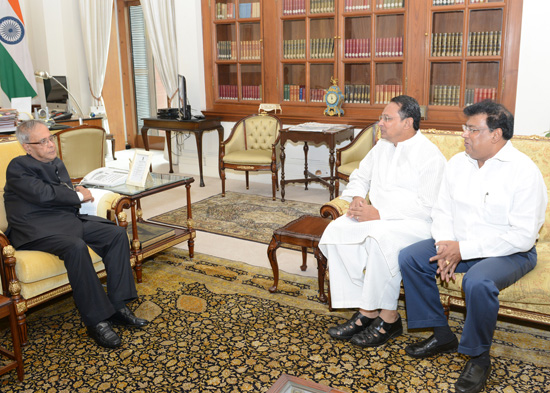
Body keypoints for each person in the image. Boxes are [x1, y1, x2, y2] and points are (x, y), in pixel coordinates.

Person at [399, 100, 547, 393]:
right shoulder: (457, 163)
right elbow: (442, 211)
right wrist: (444, 245)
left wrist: (462, 251)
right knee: (411, 258)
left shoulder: (523, 172)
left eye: (472, 129)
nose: (464, 134)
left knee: (478, 282)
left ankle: (479, 357)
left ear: (496, 134)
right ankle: (442, 334)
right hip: (459, 242)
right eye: (464, 128)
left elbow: (521, 235)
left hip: (509, 251)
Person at [4, 120, 149, 349]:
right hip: (35, 229)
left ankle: (118, 306)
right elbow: (44, 195)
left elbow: (62, 190)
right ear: (27, 147)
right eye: (43, 141)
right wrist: (80, 196)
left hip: (65, 222)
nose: (51, 144)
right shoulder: (18, 167)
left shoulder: (56, 162)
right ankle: (96, 321)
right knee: (75, 247)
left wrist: (77, 190)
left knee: (116, 235)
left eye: (50, 138)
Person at [319, 95, 446, 347]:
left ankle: (388, 319)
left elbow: (427, 206)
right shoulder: (382, 146)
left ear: (408, 122)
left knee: (381, 241)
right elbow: (359, 176)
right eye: (381, 117)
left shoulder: (430, 155)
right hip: (377, 215)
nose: (381, 123)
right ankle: (366, 311)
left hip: (414, 223)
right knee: (337, 231)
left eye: (387, 118)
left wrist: (379, 212)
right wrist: (356, 197)